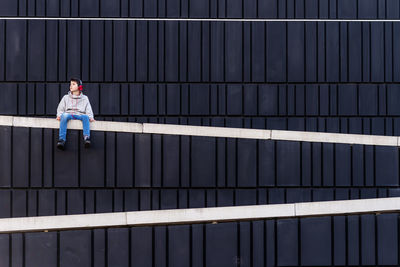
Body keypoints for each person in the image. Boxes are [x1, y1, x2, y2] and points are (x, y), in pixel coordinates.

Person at [56, 78, 95, 150]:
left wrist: (90, 117)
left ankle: (86, 138)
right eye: (70, 84)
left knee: (85, 117)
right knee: (64, 115)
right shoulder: (65, 97)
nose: (71, 86)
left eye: (73, 84)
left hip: (80, 115)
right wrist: (59, 115)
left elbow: (88, 109)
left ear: (79, 87)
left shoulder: (85, 98)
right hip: (69, 114)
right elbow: (60, 108)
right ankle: (62, 139)